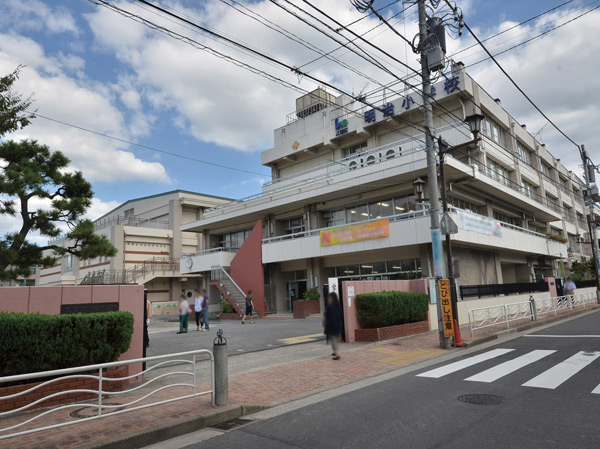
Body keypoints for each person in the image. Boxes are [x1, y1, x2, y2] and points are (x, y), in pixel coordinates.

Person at [324, 292, 342, 361]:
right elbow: (340, 315)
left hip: (331, 325)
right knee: (335, 339)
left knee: (333, 340)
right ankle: (335, 352)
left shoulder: (329, 307)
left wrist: (324, 324)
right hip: (338, 324)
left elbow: (326, 316)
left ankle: (337, 354)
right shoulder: (339, 306)